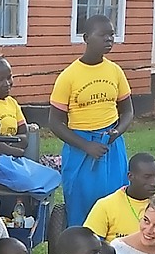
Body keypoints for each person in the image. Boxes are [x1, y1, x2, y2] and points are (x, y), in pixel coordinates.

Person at [48, 14, 135, 227]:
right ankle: (80, 245)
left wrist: (117, 131)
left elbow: (128, 111)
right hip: (81, 144)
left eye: (112, 35)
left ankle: (113, 243)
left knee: (115, 196)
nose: (109, 39)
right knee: (81, 198)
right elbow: (55, 122)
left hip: (110, 143)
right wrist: (86, 145)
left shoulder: (115, 71)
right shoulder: (69, 76)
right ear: (86, 37)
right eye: (103, 34)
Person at [0, 56, 60, 196]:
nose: (7, 83)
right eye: (0, 80)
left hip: (5, 158)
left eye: (9, 77)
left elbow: (24, 137)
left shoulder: (12, 103)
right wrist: (14, 150)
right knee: (29, 182)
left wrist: (5, 144)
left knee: (52, 177)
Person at [83, 152, 155, 242]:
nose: (154, 183)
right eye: (147, 177)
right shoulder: (106, 205)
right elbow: (90, 243)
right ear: (130, 176)